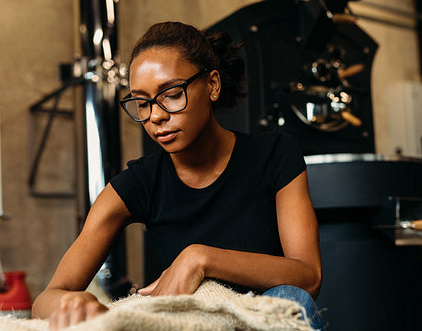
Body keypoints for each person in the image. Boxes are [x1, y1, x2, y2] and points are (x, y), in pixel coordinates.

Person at [32, 21, 323, 330]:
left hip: (259, 321)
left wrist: (201, 258)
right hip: (190, 325)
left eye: (171, 94)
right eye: (142, 103)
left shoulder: (274, 155)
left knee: (292, 298)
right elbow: (44, 300)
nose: (155, 115)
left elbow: (309, 276)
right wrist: (76, 302)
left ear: (212, 85)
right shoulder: (139, 184)